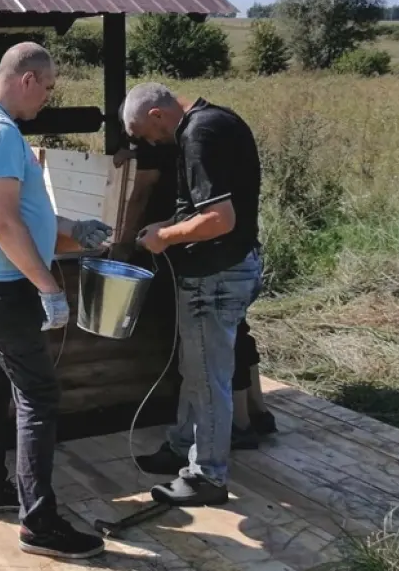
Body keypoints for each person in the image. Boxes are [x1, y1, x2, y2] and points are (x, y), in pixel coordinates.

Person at [0, 42, 113, 561]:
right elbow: (3, 223)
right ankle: (39, 524)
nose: (47, 98)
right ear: (26, 80)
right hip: (3, 286)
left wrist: (71, 228)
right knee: (39, 396)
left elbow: (22, 208)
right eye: (47, 87)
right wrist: (48, 286)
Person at [122, 82, 264, 507]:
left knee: (207, 376)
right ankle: (182, 444)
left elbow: (219, 218)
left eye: (144, 135)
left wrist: (164, 235)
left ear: (156, 116)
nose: (149, 143)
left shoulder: (199, 135)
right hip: (223, 269)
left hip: (216, 274)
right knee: (197, 367)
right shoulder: (215, 121)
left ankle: (208, 476)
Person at [110, 135, 277, 446]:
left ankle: (238, 426)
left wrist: (124, 242)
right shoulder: (197, 136)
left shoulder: (168, 141)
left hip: (189, 251)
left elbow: (142, 192)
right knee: (236, 331)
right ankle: (258, 412)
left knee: (215, 346)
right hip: (235, 252)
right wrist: (134, 152)